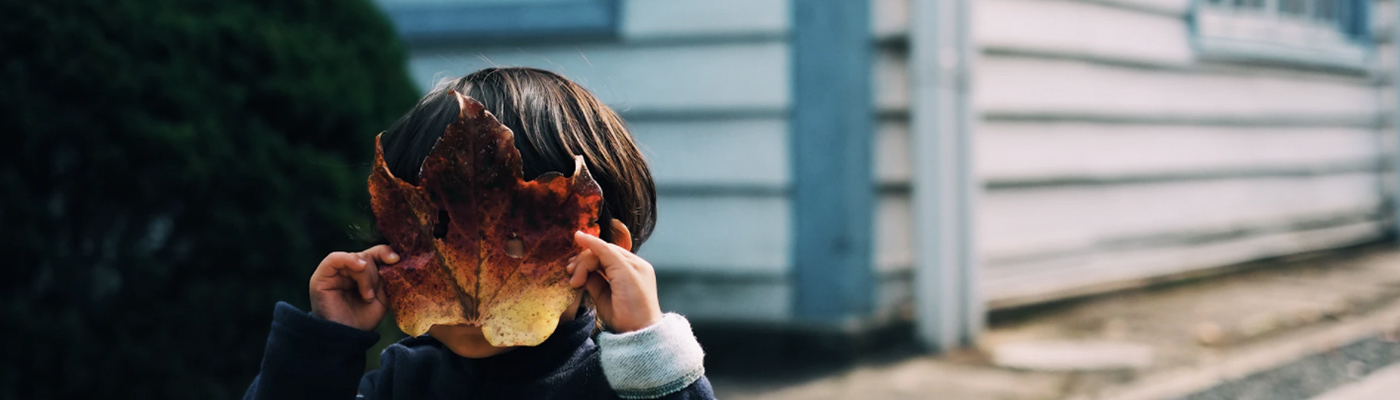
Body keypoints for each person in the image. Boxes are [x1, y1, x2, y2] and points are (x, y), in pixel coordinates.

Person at [243, 67, 713, 400]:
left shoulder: (626, 384)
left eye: (516, 238)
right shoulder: (401, 381)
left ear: (604, 248)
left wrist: (646, 344)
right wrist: (326, 342)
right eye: (436, 235)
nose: (475, 264)